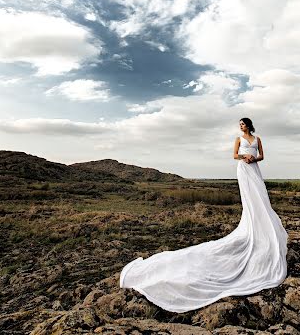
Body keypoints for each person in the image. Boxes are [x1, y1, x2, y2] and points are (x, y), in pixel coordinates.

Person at [119, 117, 288, 313]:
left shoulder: (257, 139)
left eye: (242, 124)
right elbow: (234, 155)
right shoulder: (238, 139)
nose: (240, 126)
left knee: (261, 197)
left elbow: (262, 156)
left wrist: (253, 158)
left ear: (249, 125)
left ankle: (262, 228)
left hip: (254, 169)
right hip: (243, 169)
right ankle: (251, 227)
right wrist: (244, 158)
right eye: (239, 125)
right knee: (250, 199)